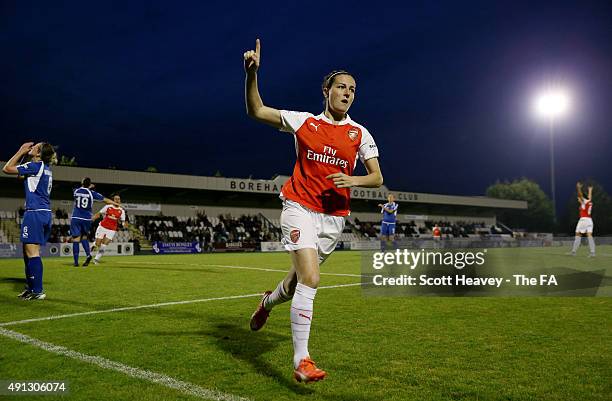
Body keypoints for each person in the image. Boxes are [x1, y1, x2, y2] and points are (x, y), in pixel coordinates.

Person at [243, 39, 383, 383]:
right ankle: (301, 360)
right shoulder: (304, 122)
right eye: (341, 87)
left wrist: (353, 180)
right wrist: (252, 75)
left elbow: (377, 177)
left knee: (294, 284)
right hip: (299, 207)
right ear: (327, 90)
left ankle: (267, 303)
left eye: (352, 89)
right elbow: (257, 111)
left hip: (333, 219)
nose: (347, 93)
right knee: (312, 279)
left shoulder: (359, 132)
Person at [2, 142, 57, 300]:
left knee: (32, 253)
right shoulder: (44, 168)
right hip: (43, 213)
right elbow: (20, 175)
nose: (32, 147)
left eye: (35, 146)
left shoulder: (35, 166)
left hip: (35, 213)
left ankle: (37, 291)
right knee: (27, 253)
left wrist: (20, 151)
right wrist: (26, 155)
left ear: (39, 153)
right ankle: (30, 287)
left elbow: (6, 169)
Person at [70, 177, 118, 267]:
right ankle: (88, 255)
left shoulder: (76, 191)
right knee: (84, 237)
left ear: (82, 183)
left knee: (76, 239)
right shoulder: (92, 193)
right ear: (89, 184)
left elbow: (81, 189)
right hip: (87, 218)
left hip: (76, 217)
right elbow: (105, 200)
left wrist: (88, 186)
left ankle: (76, 262)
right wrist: (115, 204)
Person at [91, 194, 127, 264]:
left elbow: (122, 221)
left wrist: (123, 225)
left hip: (112, 229)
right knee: (98, 244)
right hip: (102, 227)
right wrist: (93, 218)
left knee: (104, 245)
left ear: (120, 201)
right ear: (113, 200)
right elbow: (99, 213)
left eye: (118, 199)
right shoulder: (108, 207)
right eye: (116, 199)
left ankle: (96, 259)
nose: (117, 200)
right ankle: (92, 247)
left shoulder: (121, 211)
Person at [569, 182, 595, 257]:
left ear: (583, 198)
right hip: (590, 220)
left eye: (579, 199)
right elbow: (589, 197)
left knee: (578, 234)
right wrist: (590, 190)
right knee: (589, 235)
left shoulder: (584, 202)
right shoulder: (588, 201)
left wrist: (579, 188)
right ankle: (592, 252)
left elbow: (580, 195)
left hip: (584, 220)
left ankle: (573, 252)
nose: (578, 199)